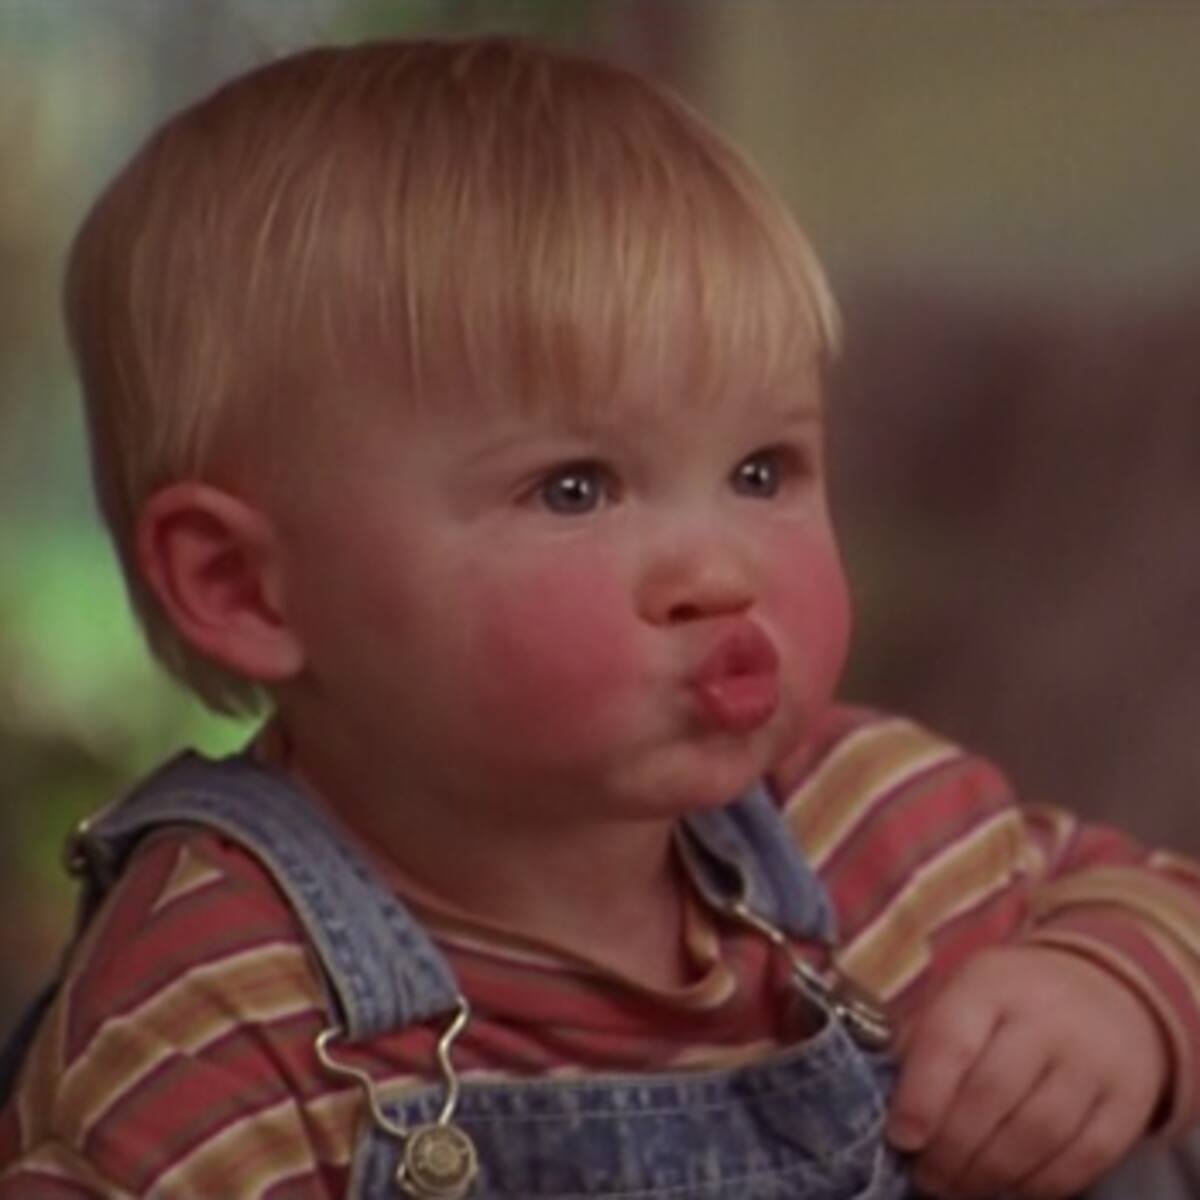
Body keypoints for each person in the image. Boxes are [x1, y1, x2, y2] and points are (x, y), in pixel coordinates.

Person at [1, 36, 1198, 1200]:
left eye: (764, 471)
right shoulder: (216, 1010)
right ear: (244, 588)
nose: (721, 571)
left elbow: (1165, 909)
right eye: (574, 488)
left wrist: (1110, 998)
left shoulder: (868, 818)